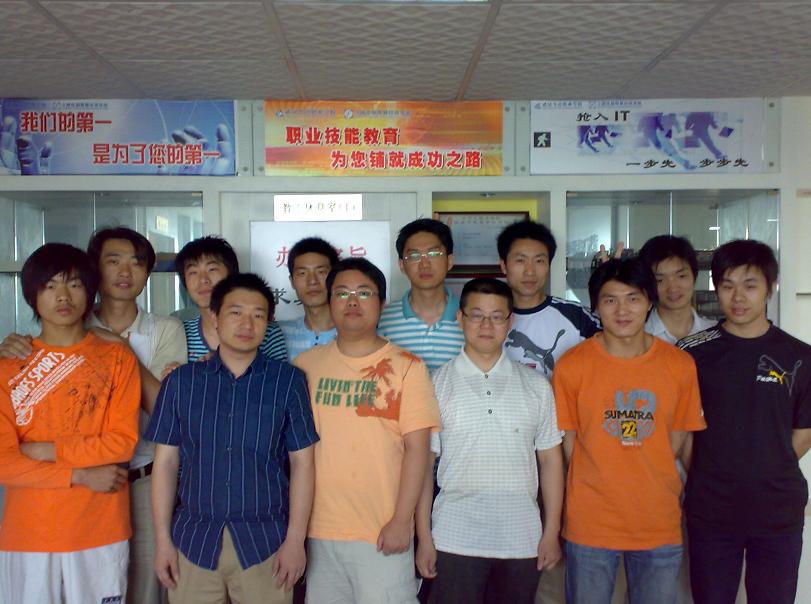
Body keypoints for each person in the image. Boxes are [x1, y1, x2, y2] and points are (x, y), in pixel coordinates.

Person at [0, 227, 188, 604]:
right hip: (30, 530)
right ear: (32, 294)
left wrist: (44, 451)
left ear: (89, 289)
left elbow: (122, 443)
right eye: (50, 286)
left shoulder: (118, 356)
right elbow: (4, 462)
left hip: (108, 516)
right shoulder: (10, 364)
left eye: (73, 285)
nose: (63, 296)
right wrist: (81, 473)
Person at [146, 273, 319, 604]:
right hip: (193, 542)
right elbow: (165, 463)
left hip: (266, 543)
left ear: (268, 323)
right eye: (236, 312)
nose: (247, 324)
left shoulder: (288, 381)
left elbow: (303, 463)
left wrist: (296, 541)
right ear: (214, 316)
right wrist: (163, 541)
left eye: (258, 315)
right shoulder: (181, 383)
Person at [553, 258, 706, 604]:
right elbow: (569, 444)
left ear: (649, 301)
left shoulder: (679, 365)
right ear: (595, 306)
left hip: (658, 520)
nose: (622, 310)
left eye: (633, 298)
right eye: (610, 300)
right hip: (591, 521)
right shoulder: (572, 366)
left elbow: (680, 438)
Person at [294, 257, 440, 603]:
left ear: (381, 302)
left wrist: (402, 521)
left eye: (363, 292)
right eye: (342, 293)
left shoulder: (407, 366)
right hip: (319, 532)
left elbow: (418, 451)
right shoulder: (305, 367)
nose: (352, 302)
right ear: (329, 301)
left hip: (383, 532)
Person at [678, 240, 811, 604]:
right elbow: (681, 431)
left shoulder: (799, 356)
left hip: (778, 509)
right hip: (711, 508)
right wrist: (711, 470)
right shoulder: (691, 353)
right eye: (727, 285)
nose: (738, 297)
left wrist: (766, 465)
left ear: (771, 287)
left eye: (750, 285)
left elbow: (805, 431)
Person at [415, 278, 564, 604]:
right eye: (477, 315)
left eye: (497, 316)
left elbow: (551, 460)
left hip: (521, 539)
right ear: (460, 318)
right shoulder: (436, 384)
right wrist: (424, 537)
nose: (486, 325)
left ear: (511, 322)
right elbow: (423, 467)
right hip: (453, 537)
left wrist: (551, 531)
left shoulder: (536, 386)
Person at [497, 220, 600, 378]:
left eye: (539, 261)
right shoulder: (486, 319)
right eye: (520, 260)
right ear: (504, 265)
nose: (530, 271)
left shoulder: (578, 317)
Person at [174, 236, 287, 362]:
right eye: (193, 272)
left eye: (212, 269)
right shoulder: (180, 333)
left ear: (232, 275)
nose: (203, 280)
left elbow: (279, 373)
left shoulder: (266, 331)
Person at [378, 218, 464, 372]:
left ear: (449, 261)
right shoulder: (383, 318)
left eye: (433, 253)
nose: (424, 264)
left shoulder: (471, 316)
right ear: (401, 265)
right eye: (414, 256)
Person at [638, 235, 715, 343]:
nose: (673, 288)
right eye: (659, 280)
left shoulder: (715, 334)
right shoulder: (637, 338)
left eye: (681, 276)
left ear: (694, 276)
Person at [279, 237, 339, 360]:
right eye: (302, 273)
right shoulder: (277, 334)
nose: (312, 281)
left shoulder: (359, 333)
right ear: (292, 282)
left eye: (321, 272)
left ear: (336, 277)